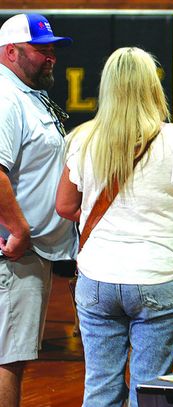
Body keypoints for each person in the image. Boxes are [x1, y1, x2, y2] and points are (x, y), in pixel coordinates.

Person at [55, 47, 173, 407]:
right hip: (158, 276)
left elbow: (64, 206)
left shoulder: (82, 138)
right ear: (152, 87)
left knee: (100, 388)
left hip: (97, 278)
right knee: (150, 391)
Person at [0, 13, 78, 407]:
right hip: (14, 253)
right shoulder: (5, 97)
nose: (50, 56)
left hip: (31, 252)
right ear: (11, 51)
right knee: (7, 359)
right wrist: (19, 230)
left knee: (11, 355)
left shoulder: (27, 93)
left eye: (53, 49)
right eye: (40, 49)